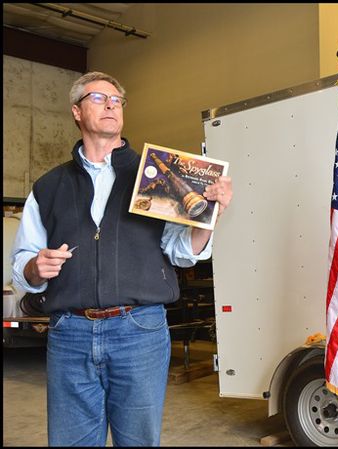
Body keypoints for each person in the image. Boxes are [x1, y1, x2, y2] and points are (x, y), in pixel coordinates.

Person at [11, 71, 233, 446]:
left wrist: (209, 219)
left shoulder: (155, 175)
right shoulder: (48, 187)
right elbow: (23, 263)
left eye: (117, 100)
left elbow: (182, 252)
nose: (111, 104)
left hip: (140, 332)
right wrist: (35, 267)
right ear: (77, 112)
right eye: (99, 98)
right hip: (70, 333)